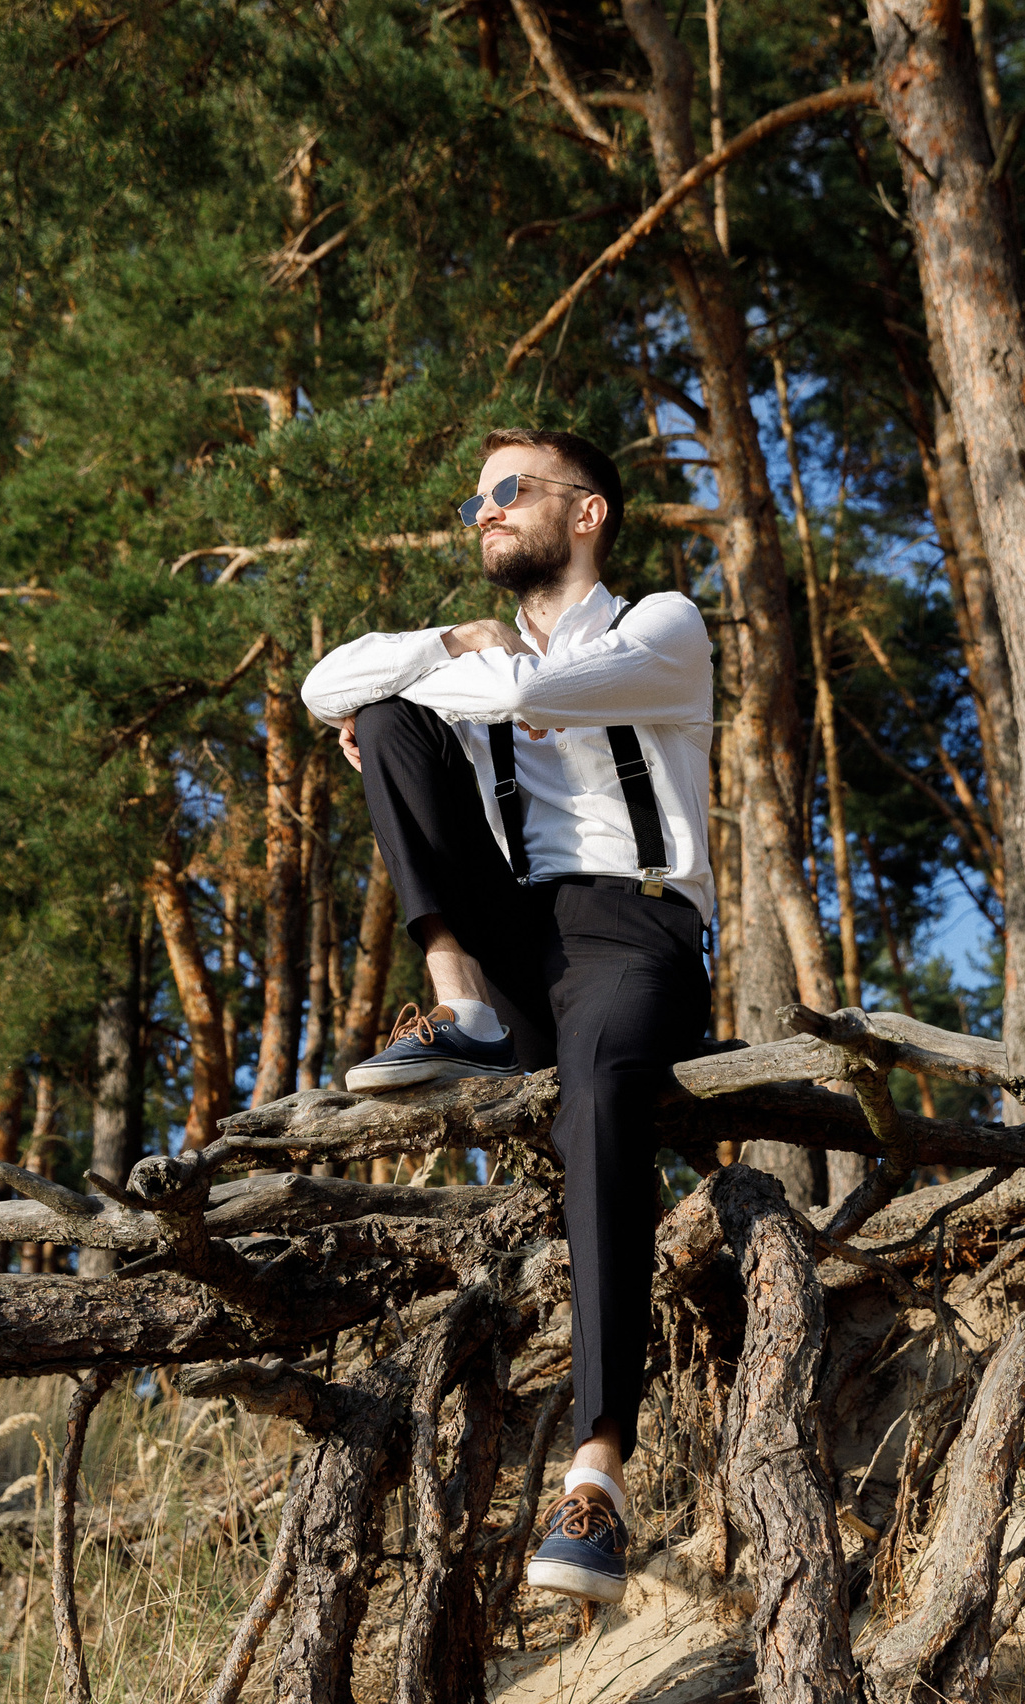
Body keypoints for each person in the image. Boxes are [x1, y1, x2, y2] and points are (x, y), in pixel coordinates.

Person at [300, 427, 715, 1606]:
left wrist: (425, 683)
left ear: (586, 512)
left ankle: (597, 1472)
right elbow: (324, 688)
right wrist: (440, 647)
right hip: (518, 943)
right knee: (386, 720)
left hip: (633, 928)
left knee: (600, 1096)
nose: (482, 510)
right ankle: (461, 1003)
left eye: (507, 489)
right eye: (474, 497)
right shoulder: (473, 656)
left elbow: (532, 692)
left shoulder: (661, 627)